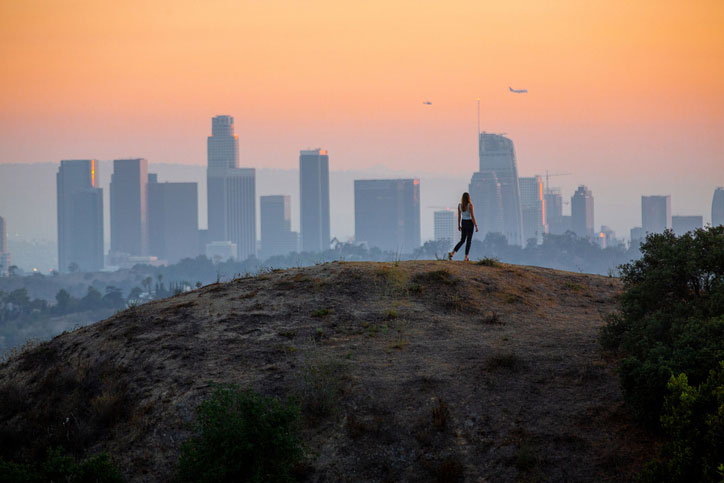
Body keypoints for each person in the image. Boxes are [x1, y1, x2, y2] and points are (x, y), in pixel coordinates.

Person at [448, 192, 478, 261]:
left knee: (462, 240)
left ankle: (452, 253)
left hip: (463, 222)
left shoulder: (459, 205)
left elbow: (459, 216)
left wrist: (459, 225)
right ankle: (466, 257)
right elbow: (472, 216)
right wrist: (476, 225)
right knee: (469, 241)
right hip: (470, 223)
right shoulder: (470, 205)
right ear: (468, 198)